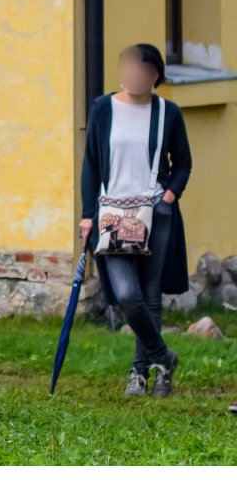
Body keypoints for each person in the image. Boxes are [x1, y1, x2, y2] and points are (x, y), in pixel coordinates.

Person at [80, 43, 193, 398]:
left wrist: (169, 198)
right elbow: (91, 164)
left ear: (154, 76)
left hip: (155, 213)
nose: (132, 75)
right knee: (127, 294)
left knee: (150, 293)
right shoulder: (103, 108)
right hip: (112, 212)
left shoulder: (167, 113)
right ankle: (163, 355)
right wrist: (87, 215)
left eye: (140, 70)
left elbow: (183, 163)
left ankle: (148, 374)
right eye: (127, 68)